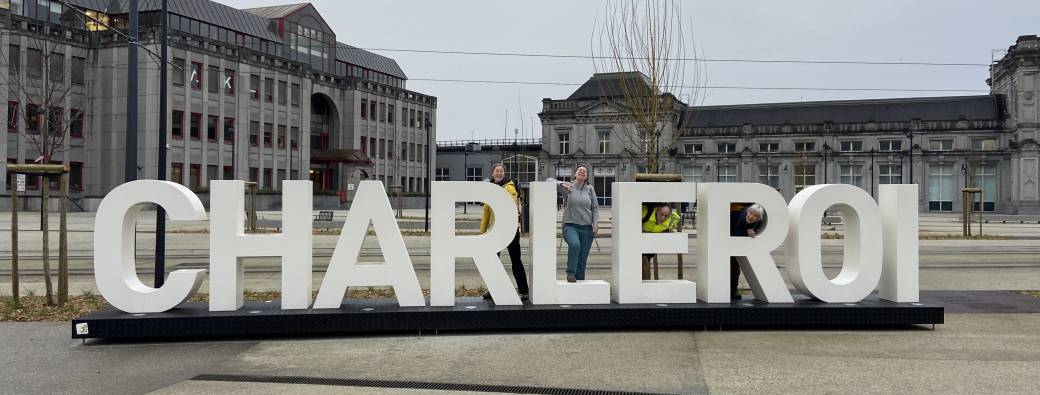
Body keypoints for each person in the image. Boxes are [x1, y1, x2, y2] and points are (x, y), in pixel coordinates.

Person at [480, 164, 529, 300]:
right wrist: (483, 231)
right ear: (492, 173)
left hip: (509, 230)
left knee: (515, 260)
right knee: (493, 261)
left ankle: (524, 290)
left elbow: (511, 206)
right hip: (494, 229)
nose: (499, 173)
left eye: (501, 171)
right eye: (497, 171)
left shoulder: (509, 187)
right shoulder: (490, 188)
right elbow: (486, 211)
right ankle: (493, 290)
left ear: (504, 173)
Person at [552, 165, 598, 282]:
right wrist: (561, 184)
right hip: (570, 225)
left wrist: (595, 223)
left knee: (582, 258)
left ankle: (580, 281)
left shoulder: (590, 189)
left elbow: (595, 208)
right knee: (575, 245)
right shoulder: (569, 186)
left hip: (587, 228)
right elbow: (549, 181)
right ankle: (570, 272)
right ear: (575, 174)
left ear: (586, 176)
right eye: (579, 170)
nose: (582, 172)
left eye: (584, 171)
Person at [729, 203, 766, 300]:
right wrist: (746, 232)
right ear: (747, 211)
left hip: (739, 247)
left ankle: (732, 290)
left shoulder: (757, 223)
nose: (751, 216)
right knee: (730, 267)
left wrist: (754, 231)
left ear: (758, 219)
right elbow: (729, 231)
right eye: (750, 213)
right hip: (727, 245)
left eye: (755, 216)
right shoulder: (734, 216)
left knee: (735, 270)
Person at [640, 203, 681, 279]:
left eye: (666, 216)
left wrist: (668, 229)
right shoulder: (645, 213)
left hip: (652, 242)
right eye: (661, 214)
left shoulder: (672, 219)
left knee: (644, 264)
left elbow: (677, 218)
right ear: (657, 210)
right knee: (643, 263)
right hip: (641, 240)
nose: (663, 218)